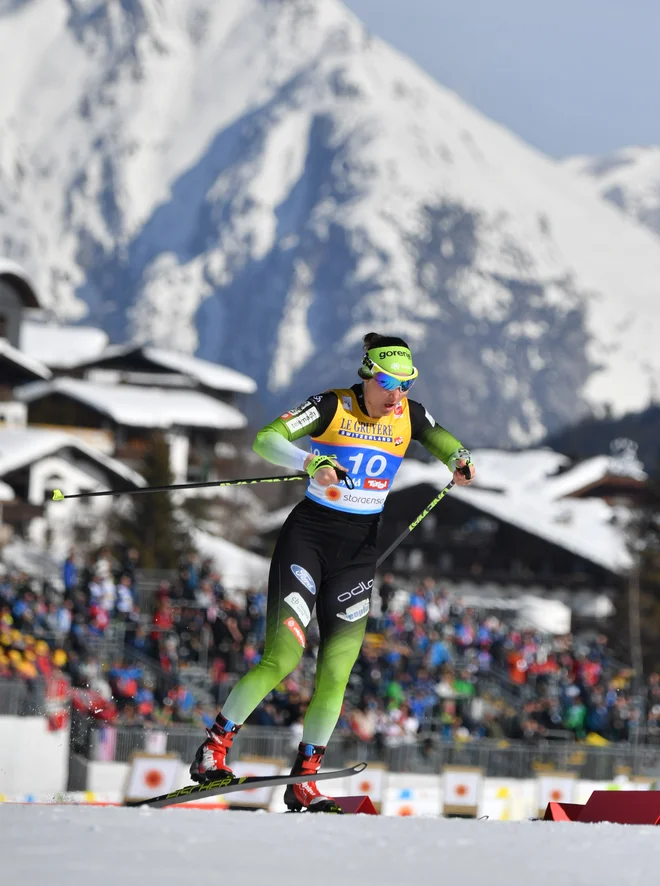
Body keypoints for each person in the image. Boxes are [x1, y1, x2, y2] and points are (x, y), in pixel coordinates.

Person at [190, 332, 476, 812]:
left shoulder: (410, 414)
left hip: (358, 554)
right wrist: (312, 460)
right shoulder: (332, 406)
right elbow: (266, 438)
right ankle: (213, 748)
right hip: (309, 542)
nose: (396, 395)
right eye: (388, 383)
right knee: (282, 658)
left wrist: (459, 459)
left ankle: (305, 778)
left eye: (405, 384)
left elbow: (443, 440)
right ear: (367, 375)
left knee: (336, 673)